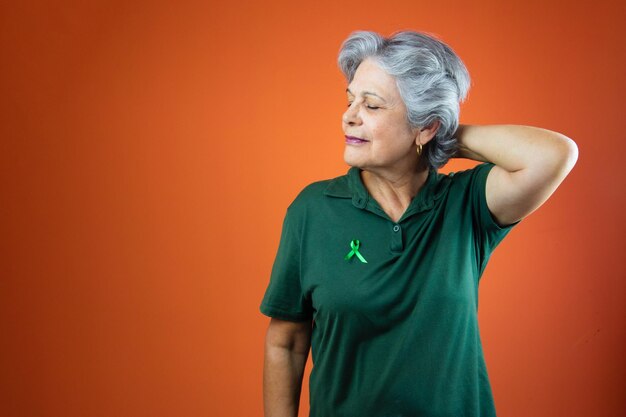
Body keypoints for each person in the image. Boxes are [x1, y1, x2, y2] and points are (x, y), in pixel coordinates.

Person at [259, 30, 578, 417]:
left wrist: (443, 134)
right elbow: (286, 343)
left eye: (372, 106)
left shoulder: (467, 204)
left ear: (425, 126)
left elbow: (554, 154)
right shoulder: (313, 209)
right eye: (350, 99)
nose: (349, 115)